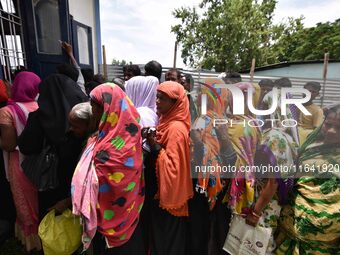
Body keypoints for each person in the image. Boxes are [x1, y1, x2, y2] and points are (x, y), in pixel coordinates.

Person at [71, 83, 145, 254]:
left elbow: (110, 183)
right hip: (128, 214)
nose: (92, 111)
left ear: (107, 108)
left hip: (110, 216)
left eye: (94, 106)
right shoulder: (129, 136)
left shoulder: (107, 146)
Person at [18, 73, 88, 220]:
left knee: (52, 219)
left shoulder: (39, 116)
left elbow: (27, 147)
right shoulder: (84, 116)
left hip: (50, 179)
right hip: (80, 177)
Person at [276, 104, 340, 255]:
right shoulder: (308, 145)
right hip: (295, 222)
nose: (331, 131)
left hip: (329, 236)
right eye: (328, 125)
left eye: (338, 128)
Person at [145, 81, 193, 255]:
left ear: (176, 104)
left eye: (163, 98)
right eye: (157, 97)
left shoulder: (176, 129)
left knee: (168, 241)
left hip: (170, 198)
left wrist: (154, 146)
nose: (157, 101)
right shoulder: (166, 122)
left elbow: (173, 169)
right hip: (161, 193)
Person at [0, 72, 41, 252]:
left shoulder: (7, 111)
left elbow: (8, 145)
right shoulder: (39, 106)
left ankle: (31, 242)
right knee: (36, 200)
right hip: (38, 162)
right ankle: (44, 236)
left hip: (19, 163)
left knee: (24, 203)